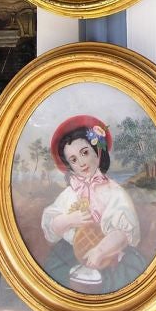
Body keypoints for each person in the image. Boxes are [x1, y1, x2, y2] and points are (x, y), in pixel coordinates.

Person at [41, 114, 146, 293]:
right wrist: (68, 220)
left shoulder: (114, 192)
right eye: (73, 159)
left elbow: (124, 232)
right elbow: (51, 227)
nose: (81, 163)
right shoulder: (68, 194)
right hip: (71, 254)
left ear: (97, 153)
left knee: (126, 280)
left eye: (84, 152)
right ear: (69, 166)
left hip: (111, 255)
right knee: (53, 276)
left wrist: (101, 251)